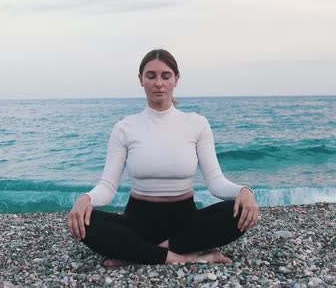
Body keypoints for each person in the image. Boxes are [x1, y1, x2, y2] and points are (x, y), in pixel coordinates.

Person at [67, 49, 260, 267]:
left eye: (165, 76)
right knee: (84, 221)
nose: (158, 83)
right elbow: (108, 186)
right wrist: (86, 198)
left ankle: (138, 253)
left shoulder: (197, 124)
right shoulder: (124, 128)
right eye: (151, 76)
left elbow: (216, 182)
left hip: (185, 222)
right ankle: (183, 257)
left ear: (176, 79)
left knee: (241, 211)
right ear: (141, 80)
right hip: (138, 221)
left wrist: (244, 191)